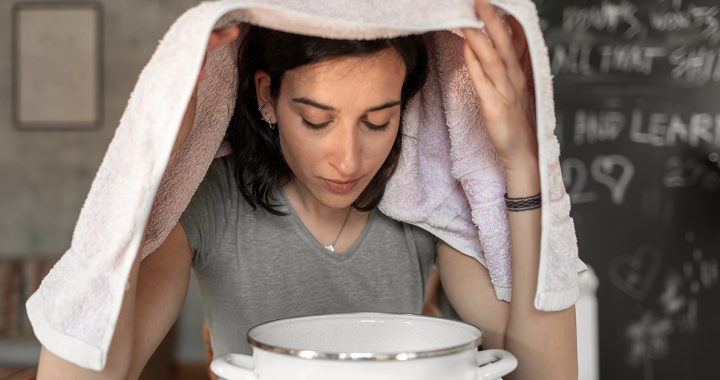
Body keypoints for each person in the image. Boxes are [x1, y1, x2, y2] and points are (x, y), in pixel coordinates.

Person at [36, 0, 577, 379]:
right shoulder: (211, 204)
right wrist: (144, 170)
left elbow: (541, 375)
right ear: (267, 97)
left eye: (377, 122)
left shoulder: (422, 205)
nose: (348, 159)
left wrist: (521, 163)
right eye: (316, 120)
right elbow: (92, 366)